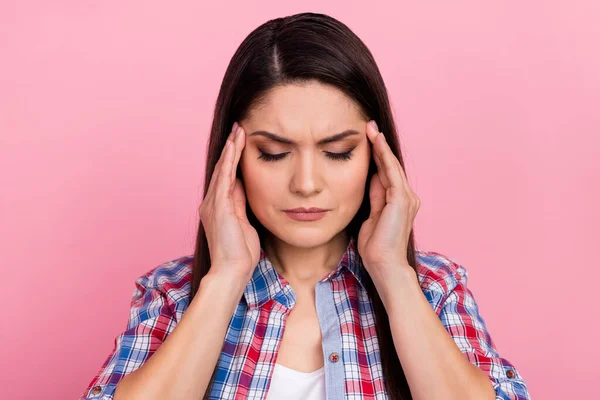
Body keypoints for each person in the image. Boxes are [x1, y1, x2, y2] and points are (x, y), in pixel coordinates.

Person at [79, 12, 531, 400]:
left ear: (378, 157)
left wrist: (393, 274)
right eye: (274, 153)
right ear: (231, 160)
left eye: (338, 153)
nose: (307, 184)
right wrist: (225, 278)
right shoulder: (174, 296)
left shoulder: (434, 291)